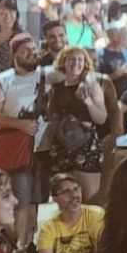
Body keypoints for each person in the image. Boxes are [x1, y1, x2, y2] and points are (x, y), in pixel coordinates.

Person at [0, 33, 49, 253]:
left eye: (34, 49)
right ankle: (17, 245)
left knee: (35, 200)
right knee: (20, 197)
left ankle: (28, 243)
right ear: (15, 54)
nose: (32, 53)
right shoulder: (2, 81)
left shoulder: (45, 77)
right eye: (26, 50)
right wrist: (20, 125)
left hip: (41, 149)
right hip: (15, 150)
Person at [44, 47, 110, 200]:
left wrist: (88, 102)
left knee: (89, 197)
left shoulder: (91, 86)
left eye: (80, 60)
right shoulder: (56, 87)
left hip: (85, 146)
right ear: (64, 62)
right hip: (61, 146)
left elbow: (101, 118)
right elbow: (50, 116)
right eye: (72, 59)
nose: (76, 63)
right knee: (63, 197)